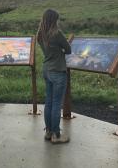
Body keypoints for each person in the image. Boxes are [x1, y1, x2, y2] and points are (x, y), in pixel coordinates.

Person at [37, 9, 71, 144]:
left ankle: (49, 132)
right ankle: (56, 135)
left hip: (47, 70)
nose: (58, 21)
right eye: (57, 19)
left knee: (49, 102)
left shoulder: (40, 35)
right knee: (57, 103)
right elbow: (68, 49)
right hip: (58, 70)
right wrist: (61, 49)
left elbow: (47, 51)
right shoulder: (57, 34)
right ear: (53, 20)